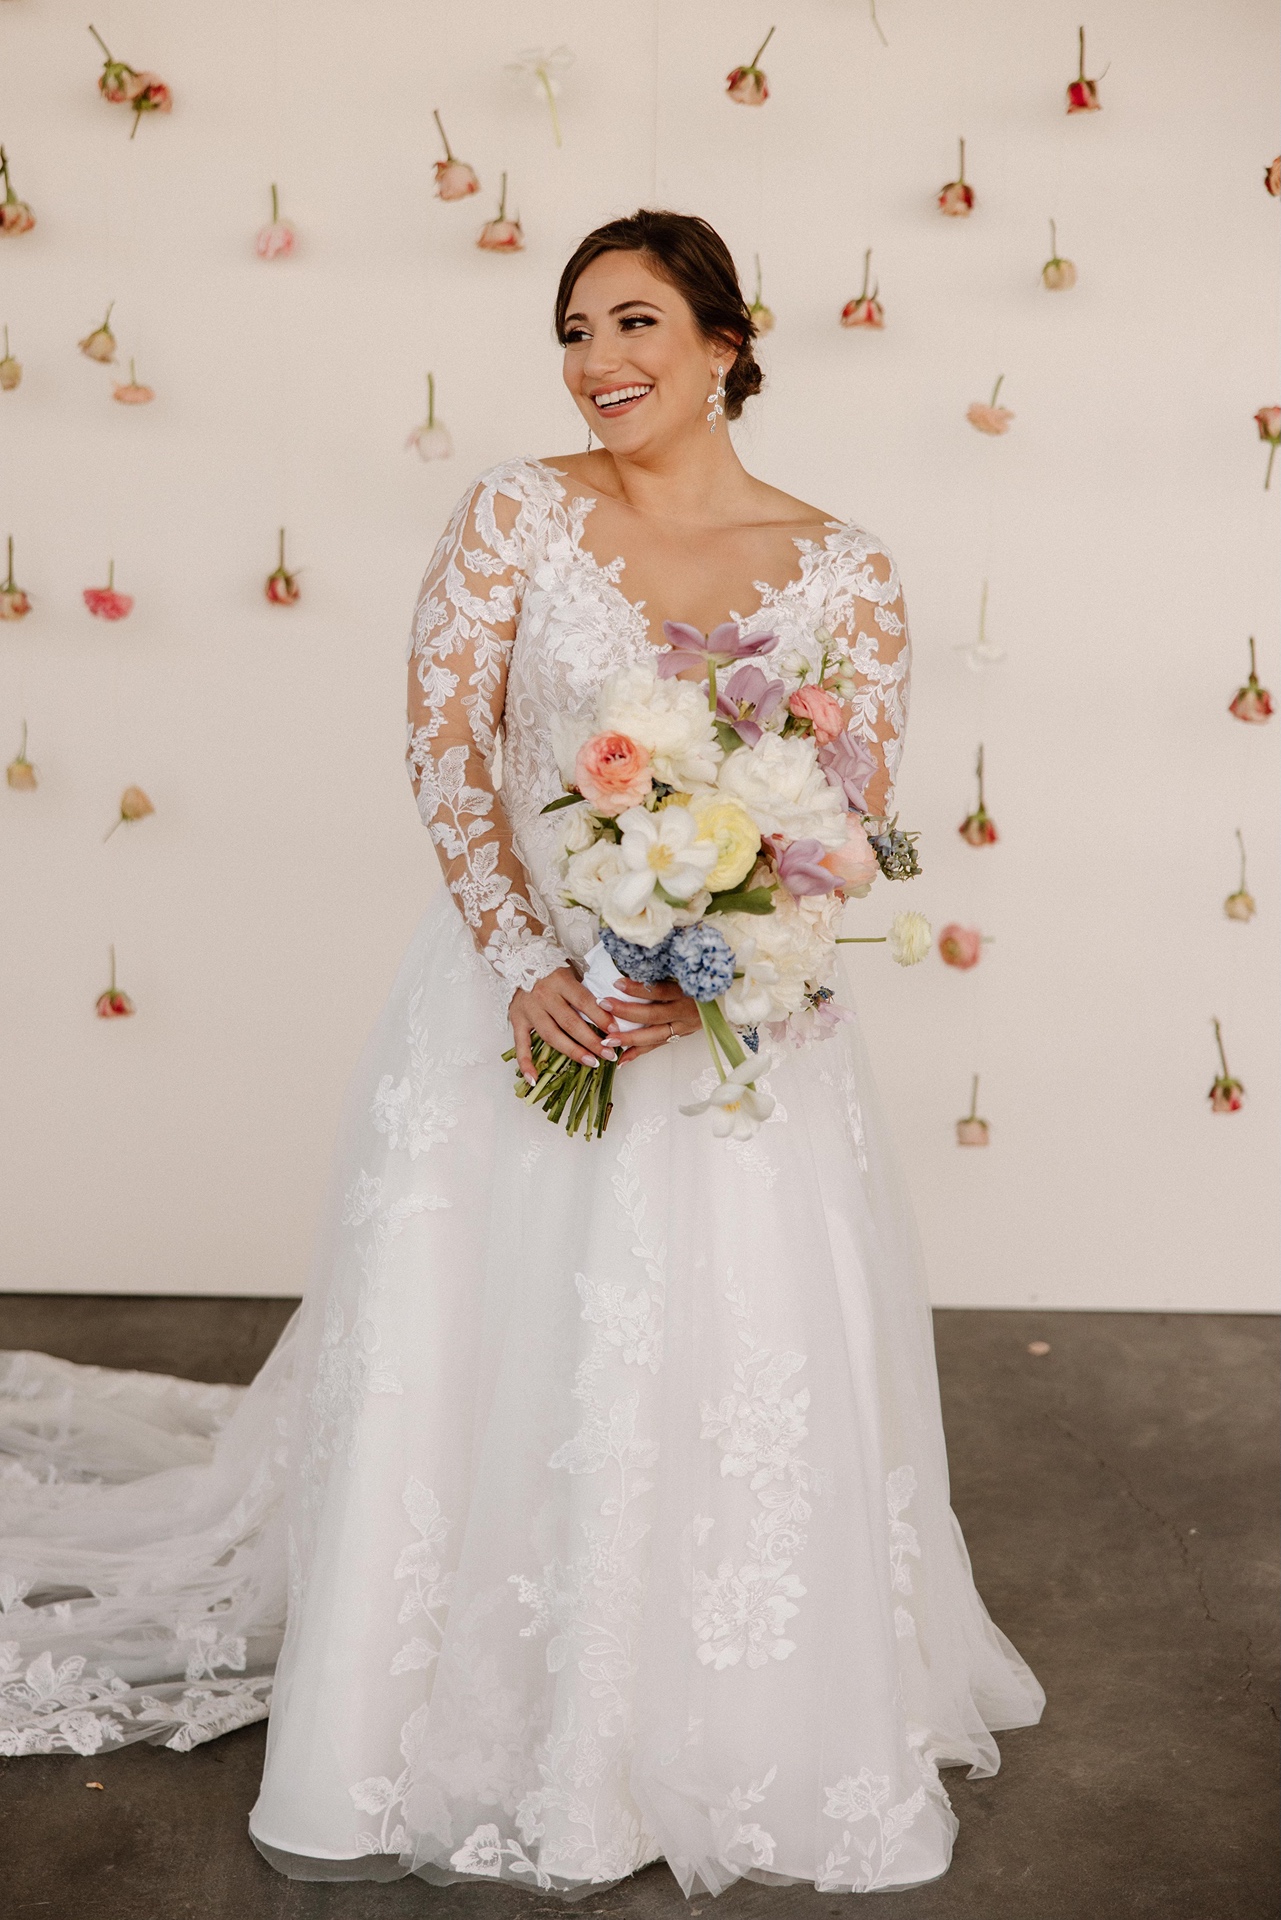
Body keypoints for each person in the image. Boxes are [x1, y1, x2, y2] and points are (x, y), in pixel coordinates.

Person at [0, 210, 1043, 1897]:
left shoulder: (844, 565)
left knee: (731, 1354)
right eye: (571, 331)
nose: (596, 362)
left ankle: (717, 1724)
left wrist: (724, 974)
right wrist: (523, 964)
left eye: (634, 322)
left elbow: (840, 819)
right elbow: (444, 751)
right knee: (483, 1352)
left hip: (727, 1035)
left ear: (724, 341)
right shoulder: (514, 515)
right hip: (518, 1005)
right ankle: (460, 1701)